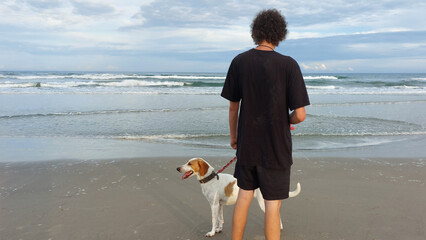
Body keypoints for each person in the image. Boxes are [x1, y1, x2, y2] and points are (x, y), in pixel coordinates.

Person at [221, 9, 310, 240]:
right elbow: (300, 115)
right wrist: (286, 120)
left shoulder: (239, 61)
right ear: (280, 34)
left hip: (247, 146)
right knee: (272, 205)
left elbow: (233, 107)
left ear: (255, 32)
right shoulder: (289, 65)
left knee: (244, 197)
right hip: (277, 148)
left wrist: (234, 138)